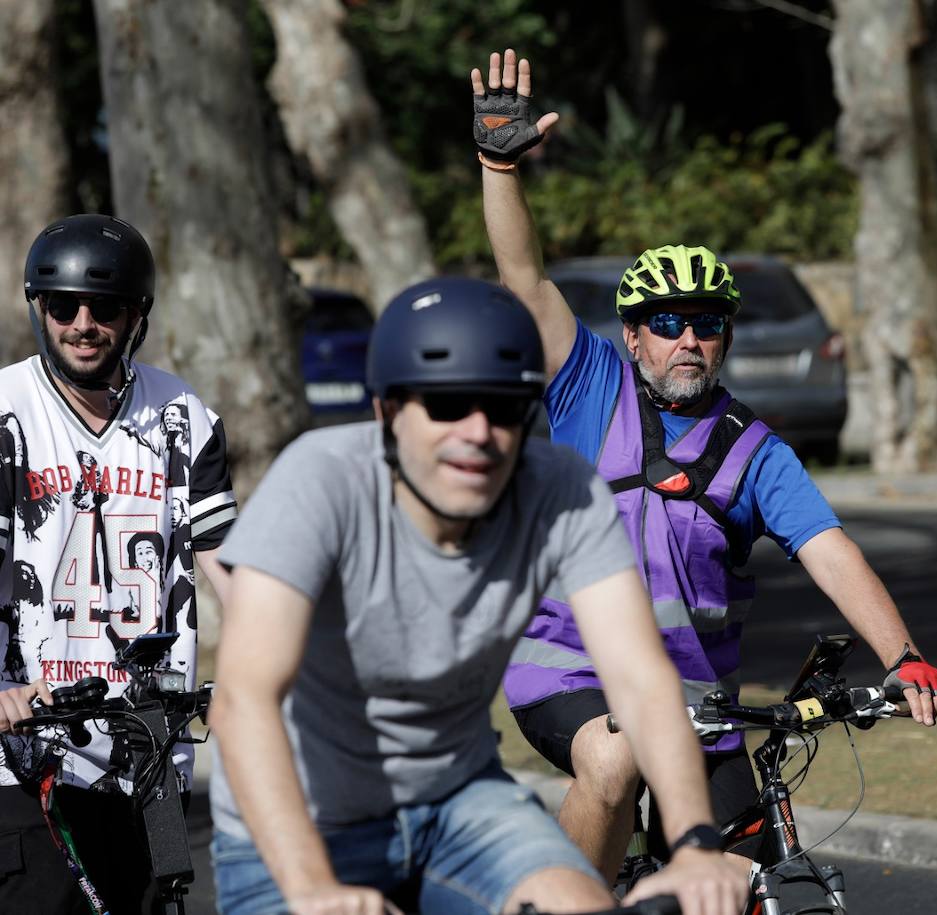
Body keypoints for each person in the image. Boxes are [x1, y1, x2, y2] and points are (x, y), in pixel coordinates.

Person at [472, 48, 937, 882]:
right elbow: (524, 276)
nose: (686, 337)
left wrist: (902, 653)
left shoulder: (754, 449)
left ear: (724, 336)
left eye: (705, 322)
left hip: (697, 703)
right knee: (615, 766)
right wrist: (499, 167)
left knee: (735, 868)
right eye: (664, 321)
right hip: (568, 670)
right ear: (632, 334)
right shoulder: (590, 387)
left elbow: (830, 550)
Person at [208, 276, 746, 915]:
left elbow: (641, 677)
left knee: (580, 905)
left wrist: (692, 845)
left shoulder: (559, 490)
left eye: (503, 408)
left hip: (458, 801)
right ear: (385, 411)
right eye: (446, 406)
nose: (478, 433)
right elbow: (244, 698)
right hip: (301, 818)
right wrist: (311, 888)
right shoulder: (319, 479)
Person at [0, 213, 237, 913]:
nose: (82, 322)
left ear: (138, 314)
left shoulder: (184, 416)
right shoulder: (6, 412)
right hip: (25, 752)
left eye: (105, 306)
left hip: (150, 751)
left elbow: (227, 565)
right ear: (37, 306)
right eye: (61, 304)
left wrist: (258, 677)